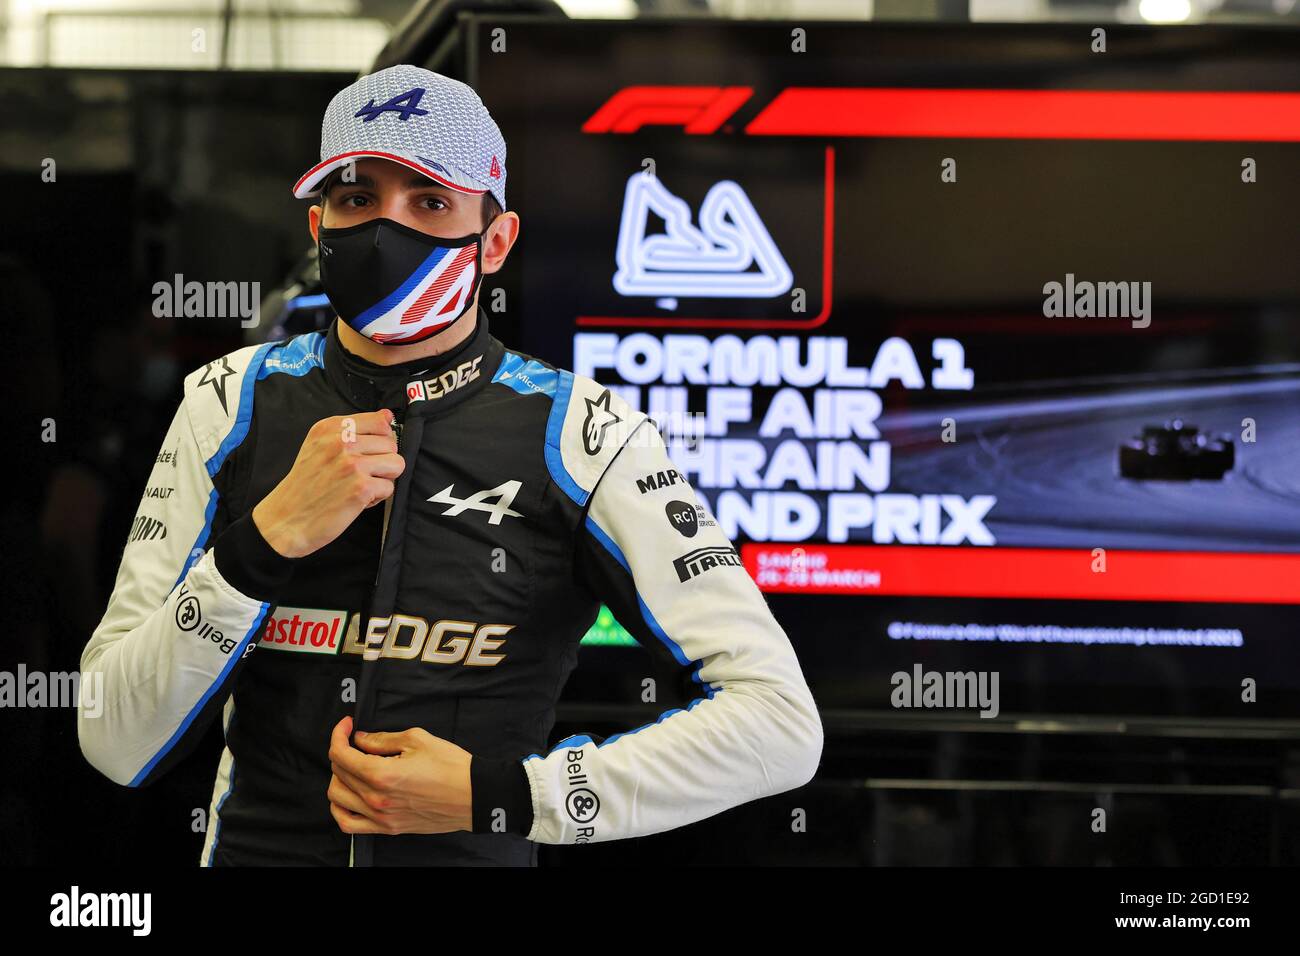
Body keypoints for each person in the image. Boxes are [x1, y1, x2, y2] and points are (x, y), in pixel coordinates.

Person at [77, 64, 823, 866]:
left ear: (494, 241)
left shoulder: (590, 435)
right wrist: (265, 541)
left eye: (430, 202)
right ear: (317, 227)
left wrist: (502, 796)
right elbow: (112, 736)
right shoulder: (227, 404)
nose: (386, 228)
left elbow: (779, 723)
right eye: (358, 199)